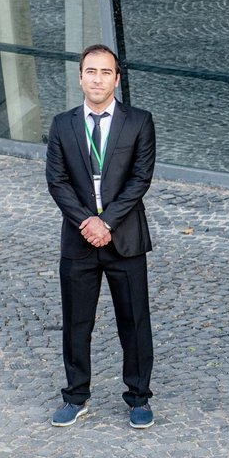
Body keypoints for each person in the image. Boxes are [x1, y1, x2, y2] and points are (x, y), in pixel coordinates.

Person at [45, 44, 157, 429]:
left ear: (117, 79)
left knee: (134, 321)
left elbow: (140, 179)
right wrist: (87, 223)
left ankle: (138, 397)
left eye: (105, 72)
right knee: (77, 323)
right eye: (90, 71)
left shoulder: (139, 122)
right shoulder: (62, 125)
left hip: (125, 238)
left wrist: (105, 222)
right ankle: (76, 395)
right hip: (79, 240)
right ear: (80, 78)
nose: (97, 79)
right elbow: (57, 182)